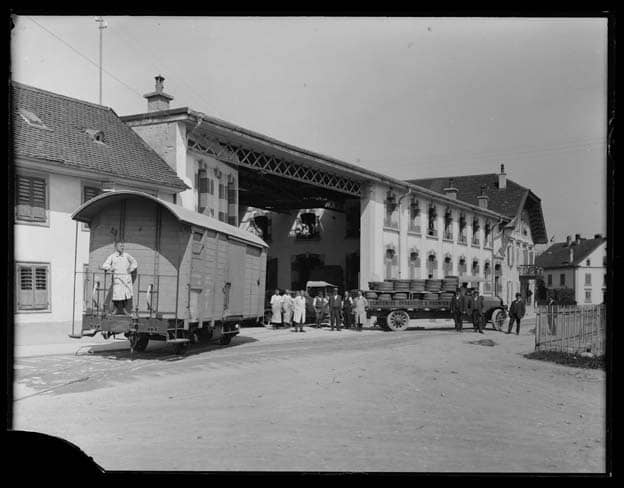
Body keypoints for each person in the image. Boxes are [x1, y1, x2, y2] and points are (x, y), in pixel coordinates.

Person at [101, 241, 138, 315]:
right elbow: (105, 265)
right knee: (116, 295)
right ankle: (116, 310)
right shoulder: (112, 256)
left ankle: (125, 310)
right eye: (120, 246)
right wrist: (111, 268)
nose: (122, 247)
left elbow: (134, 262)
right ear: (116, 247)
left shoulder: (127, 255)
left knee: (126, 295)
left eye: (123, 246)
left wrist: (130, 268)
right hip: (117, 279)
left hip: (126, 279)